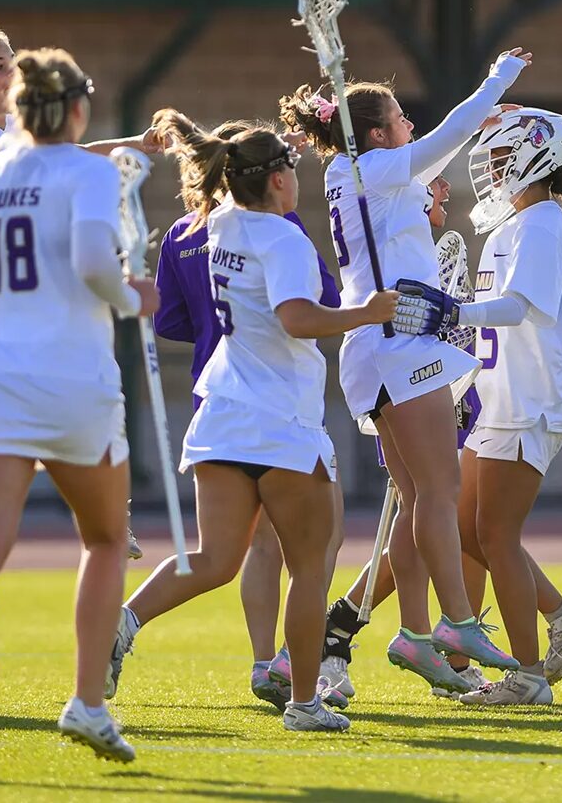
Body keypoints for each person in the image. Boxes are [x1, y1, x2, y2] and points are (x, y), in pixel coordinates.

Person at [0, 47, 156, 778]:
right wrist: (135, 295)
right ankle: (85, 702)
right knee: (107, 540)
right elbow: (96, 267)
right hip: (70, 379)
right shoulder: (84, 169)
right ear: (73, 109)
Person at [108, 111, 397, 731]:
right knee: (313, 564)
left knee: (214, 558)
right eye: (290, 168)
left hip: (220, 416)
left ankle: (122, 620)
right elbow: (297, 317)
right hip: (281, 421)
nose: (298, 178)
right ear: (276, 179)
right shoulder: (282, 236)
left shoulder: (217, 225)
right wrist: (366, 313)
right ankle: (302, 701)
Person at [277, 49, 533, 689]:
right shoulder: (375, 169)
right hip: (400, 344)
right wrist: (495, 79)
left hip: (376, 346)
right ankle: (456, 620)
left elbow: (425, 164)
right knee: (440, 492)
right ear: (375, 134)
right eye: (399, 119)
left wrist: (429, 180)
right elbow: (447, 134)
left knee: (418, 497)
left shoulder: (352, 172)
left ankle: (417, 632)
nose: (410, 127)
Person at [0, 23, 156, 577]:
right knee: (29, 403)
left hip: (25, 289)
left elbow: (72, 152)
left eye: (12, 63)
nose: (11, 73)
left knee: (41, 400)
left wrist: (135, 143)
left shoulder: (16, 133)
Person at [395, 107, 562, 705]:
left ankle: (529, 674)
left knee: (496, 534)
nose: (492, 168)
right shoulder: (511, 225)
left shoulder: (542, 223)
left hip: (528, 400)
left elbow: (516, 309)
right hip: (496, 398)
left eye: (503, 156)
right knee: (464, 530)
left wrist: (452, 312)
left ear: (535, 160)